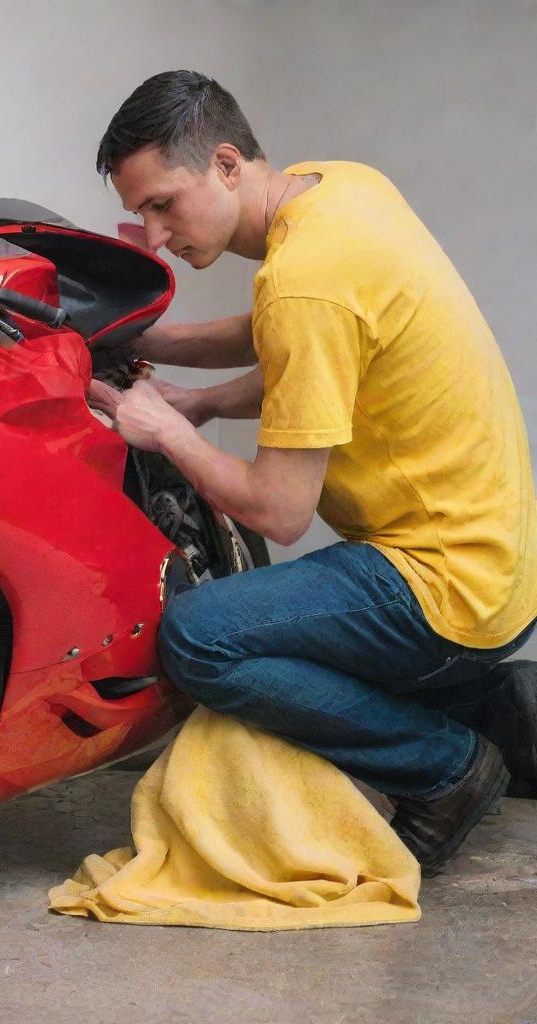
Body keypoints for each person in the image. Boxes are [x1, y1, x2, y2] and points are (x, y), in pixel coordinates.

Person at [88, 70, 537, 876]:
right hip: (503, 565)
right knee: (266, 626)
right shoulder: (343, 190)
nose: (154, 236)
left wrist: (164, 430)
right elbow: (298, 339)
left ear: (227, 164)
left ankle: (447, 764)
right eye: (140, 213)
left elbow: (279, 512)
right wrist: (178, 374)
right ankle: (495, 705)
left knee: (197, 639)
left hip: (444, 585)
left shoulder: (305, 282)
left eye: (164, 204)